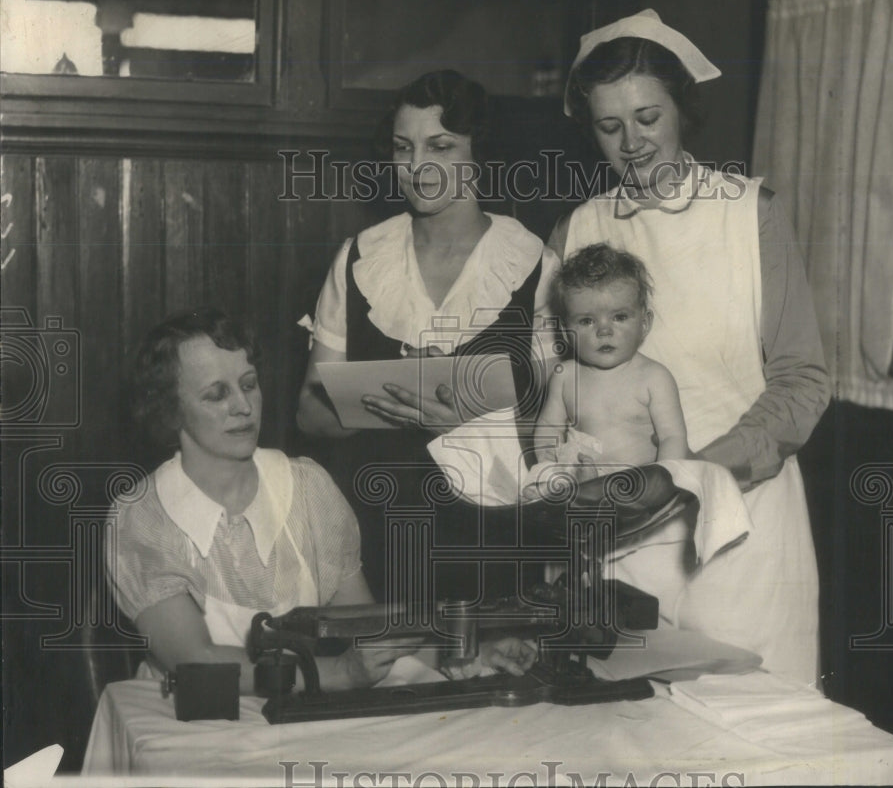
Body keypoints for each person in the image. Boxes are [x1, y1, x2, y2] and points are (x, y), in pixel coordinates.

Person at [549, 9, 832, 685]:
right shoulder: (576, 231)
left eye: (648, 117)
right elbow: (552, 386)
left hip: (741, 533)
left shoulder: (749, 214)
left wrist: (691, 475)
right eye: (609, 127)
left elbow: (802, 382)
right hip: (618, 542)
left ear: (681, 108)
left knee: (750, 726)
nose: (632, 143)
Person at [106, 308, 535, 695]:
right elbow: (194, 662)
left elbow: (367, 629)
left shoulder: (306, 487)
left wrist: (463, 654)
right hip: (192, 715)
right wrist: (337, 674)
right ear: (170, 411)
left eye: (249, 385)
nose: (243, 406)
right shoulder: (143, 514)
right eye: (216, 395)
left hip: (295, 711)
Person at [297, 70, 559, 603]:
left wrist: (473, 420)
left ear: (478, 152)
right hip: (373, 538)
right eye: (403, 147)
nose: (418, 167)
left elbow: (560, 426)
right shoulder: (359, 257)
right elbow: (308, 413)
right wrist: (391, 400)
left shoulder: (535, 264)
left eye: (440, 146)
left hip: (493, 538)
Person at [526, 243, 688, 499]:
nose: (604, 331)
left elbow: (672, 437)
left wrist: (663, 480)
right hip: (576, 477)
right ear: (567, 332)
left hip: (635, 485)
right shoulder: (565, 376)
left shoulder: (654, 378)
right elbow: (548, 425)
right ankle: (565, 491)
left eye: (619, 317)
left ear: (644, 323)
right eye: (587, 321)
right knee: (540, 482)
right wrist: (547, 458)